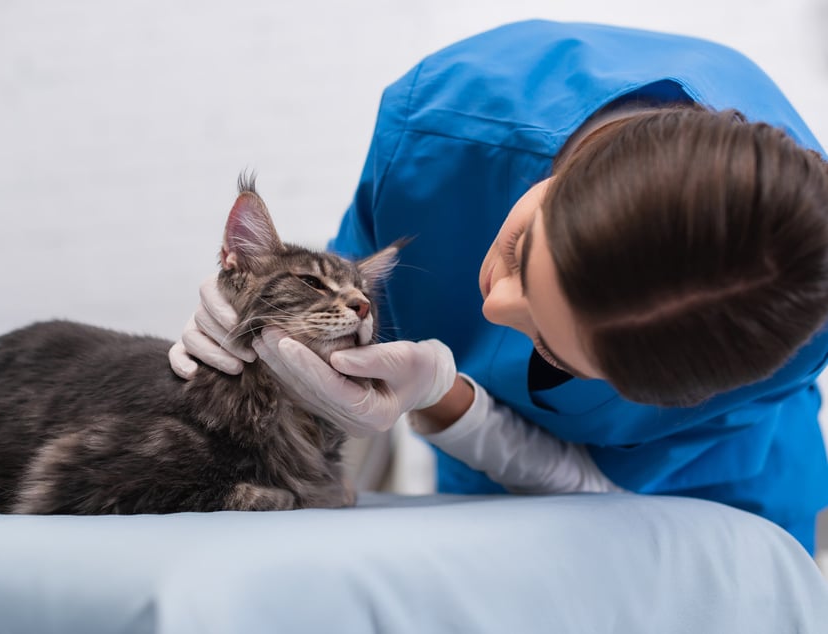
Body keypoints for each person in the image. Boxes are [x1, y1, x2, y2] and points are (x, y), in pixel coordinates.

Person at [169, 20, 828, 555]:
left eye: (549, 349)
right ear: (568, 167)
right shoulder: (444, 122)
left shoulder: (785, 314)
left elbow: (600, 498)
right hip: (483, 488)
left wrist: (448, 400)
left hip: (721, 501)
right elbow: (335, 311)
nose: (491, 304)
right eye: (520, 248)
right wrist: (256, 318)